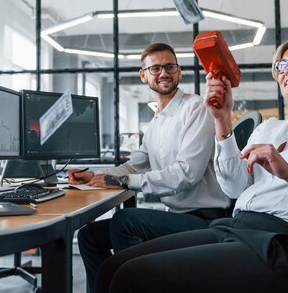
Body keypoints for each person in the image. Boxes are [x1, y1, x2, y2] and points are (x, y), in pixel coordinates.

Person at [94, 36, 288, 293]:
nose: (287, 70)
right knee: (111, 269)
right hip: (236, 228)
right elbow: (233, 188)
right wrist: (222, 122)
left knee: (131, 277)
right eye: (282, 64)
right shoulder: (270, 128)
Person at [67, 42, 230, 293]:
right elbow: (135, 165)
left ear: (179, 72)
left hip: (205, 220)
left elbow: (187, 174)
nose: (163, 73)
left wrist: (122, 182)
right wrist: (97, 176)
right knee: (90, 237)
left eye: (169, 66)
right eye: (155, 68)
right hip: (177, 217)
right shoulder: (156, 122)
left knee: (125, 221)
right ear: (144, 75)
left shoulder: (195, 108)